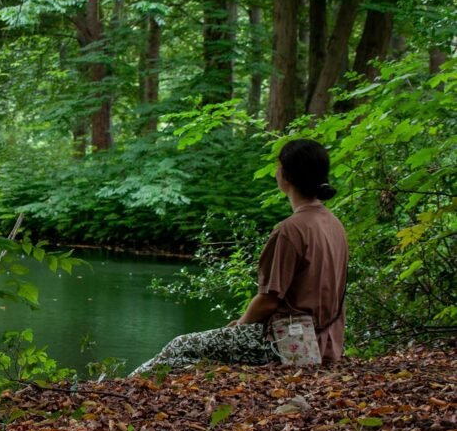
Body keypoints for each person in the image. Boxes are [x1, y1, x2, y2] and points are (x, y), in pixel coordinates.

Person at [131, 139, 348, 375]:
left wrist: (240, 326)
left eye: (278, 166)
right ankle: (140, 382)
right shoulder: (334, 224)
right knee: (184, 360)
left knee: (180, 345)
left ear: (286, 175)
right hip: (325, 342)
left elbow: (269, 300)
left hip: (284, 343)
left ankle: (129, 382)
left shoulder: (290, 230)